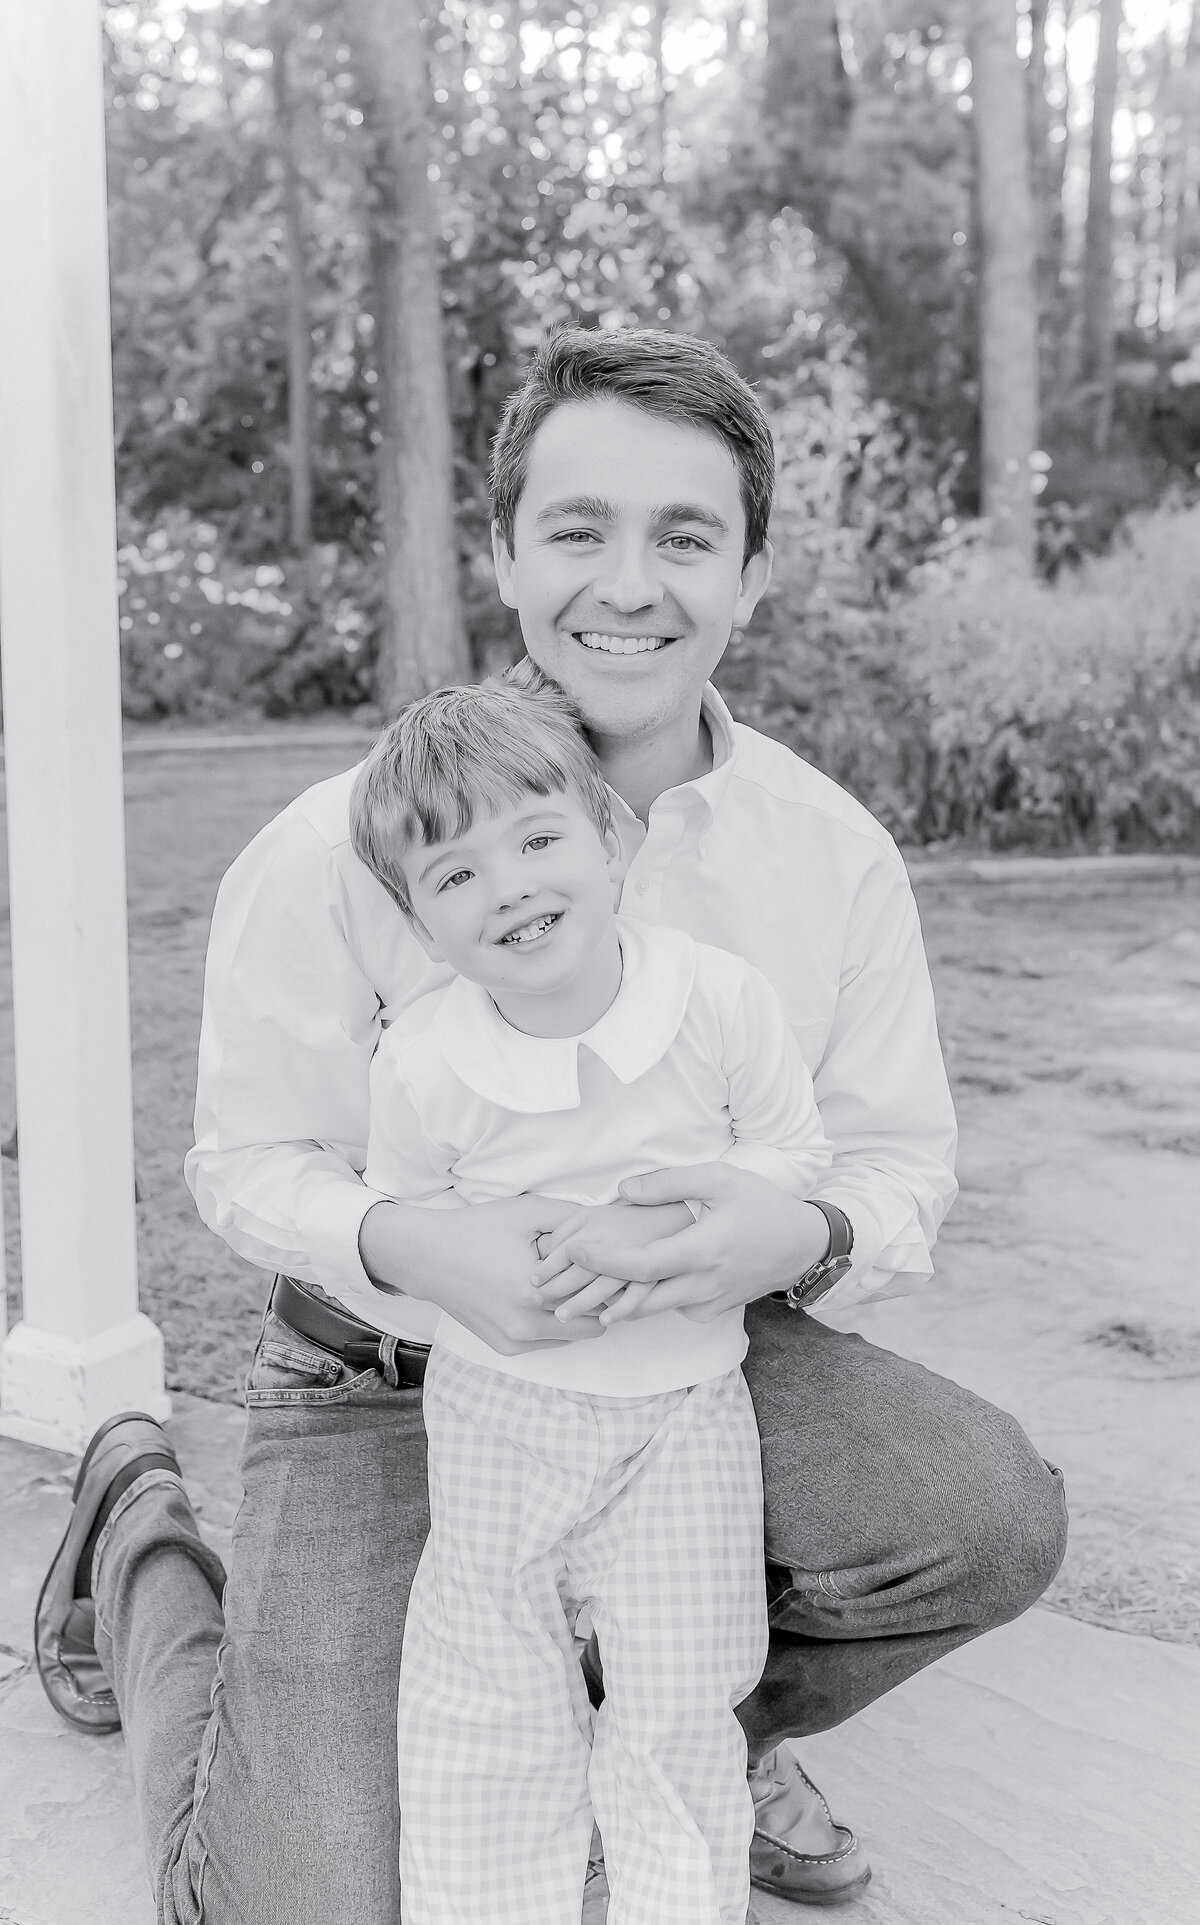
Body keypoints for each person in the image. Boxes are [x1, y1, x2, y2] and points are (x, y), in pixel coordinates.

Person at [35, 326, 1067, 1924]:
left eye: (686, 537)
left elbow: (896, 1156)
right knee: (289, 1901)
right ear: (506, 549)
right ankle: (141, 1534)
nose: (629, 585)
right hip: (386, 1376)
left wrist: (795, 1230)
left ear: (752, 572)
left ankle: (679, 1726)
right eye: (579, 530)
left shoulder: (827, 852)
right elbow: (245, 1161)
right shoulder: (337, 846)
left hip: (686, 1362)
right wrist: (417, 1240)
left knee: (979, 1516)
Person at [349, 670, 832, 1925]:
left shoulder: (716, 1001)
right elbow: (411, 1228)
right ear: (419, 920)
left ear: (612, 841)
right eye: (453, 875)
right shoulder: (423, 1060)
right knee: (487, 1692)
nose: (506, 884)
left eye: (538, 837)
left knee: (678, 1697)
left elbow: (791, 1161)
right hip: (498, 1417)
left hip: (679, 1419)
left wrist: (664, 1219)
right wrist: (481, 1257)